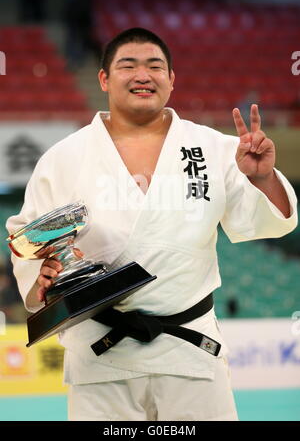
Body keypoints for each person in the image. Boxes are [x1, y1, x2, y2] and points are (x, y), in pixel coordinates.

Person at [6, 28, 298, 421]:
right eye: (128, 65)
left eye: (155, 66)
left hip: (190, 348)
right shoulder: (63, 157)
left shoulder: (214, 148)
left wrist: (262, 178)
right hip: (99, 353)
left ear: (172, 80)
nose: (143, 75)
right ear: (104, 79)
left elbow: (269, 223)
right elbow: (29, 239)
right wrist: (42, 277)